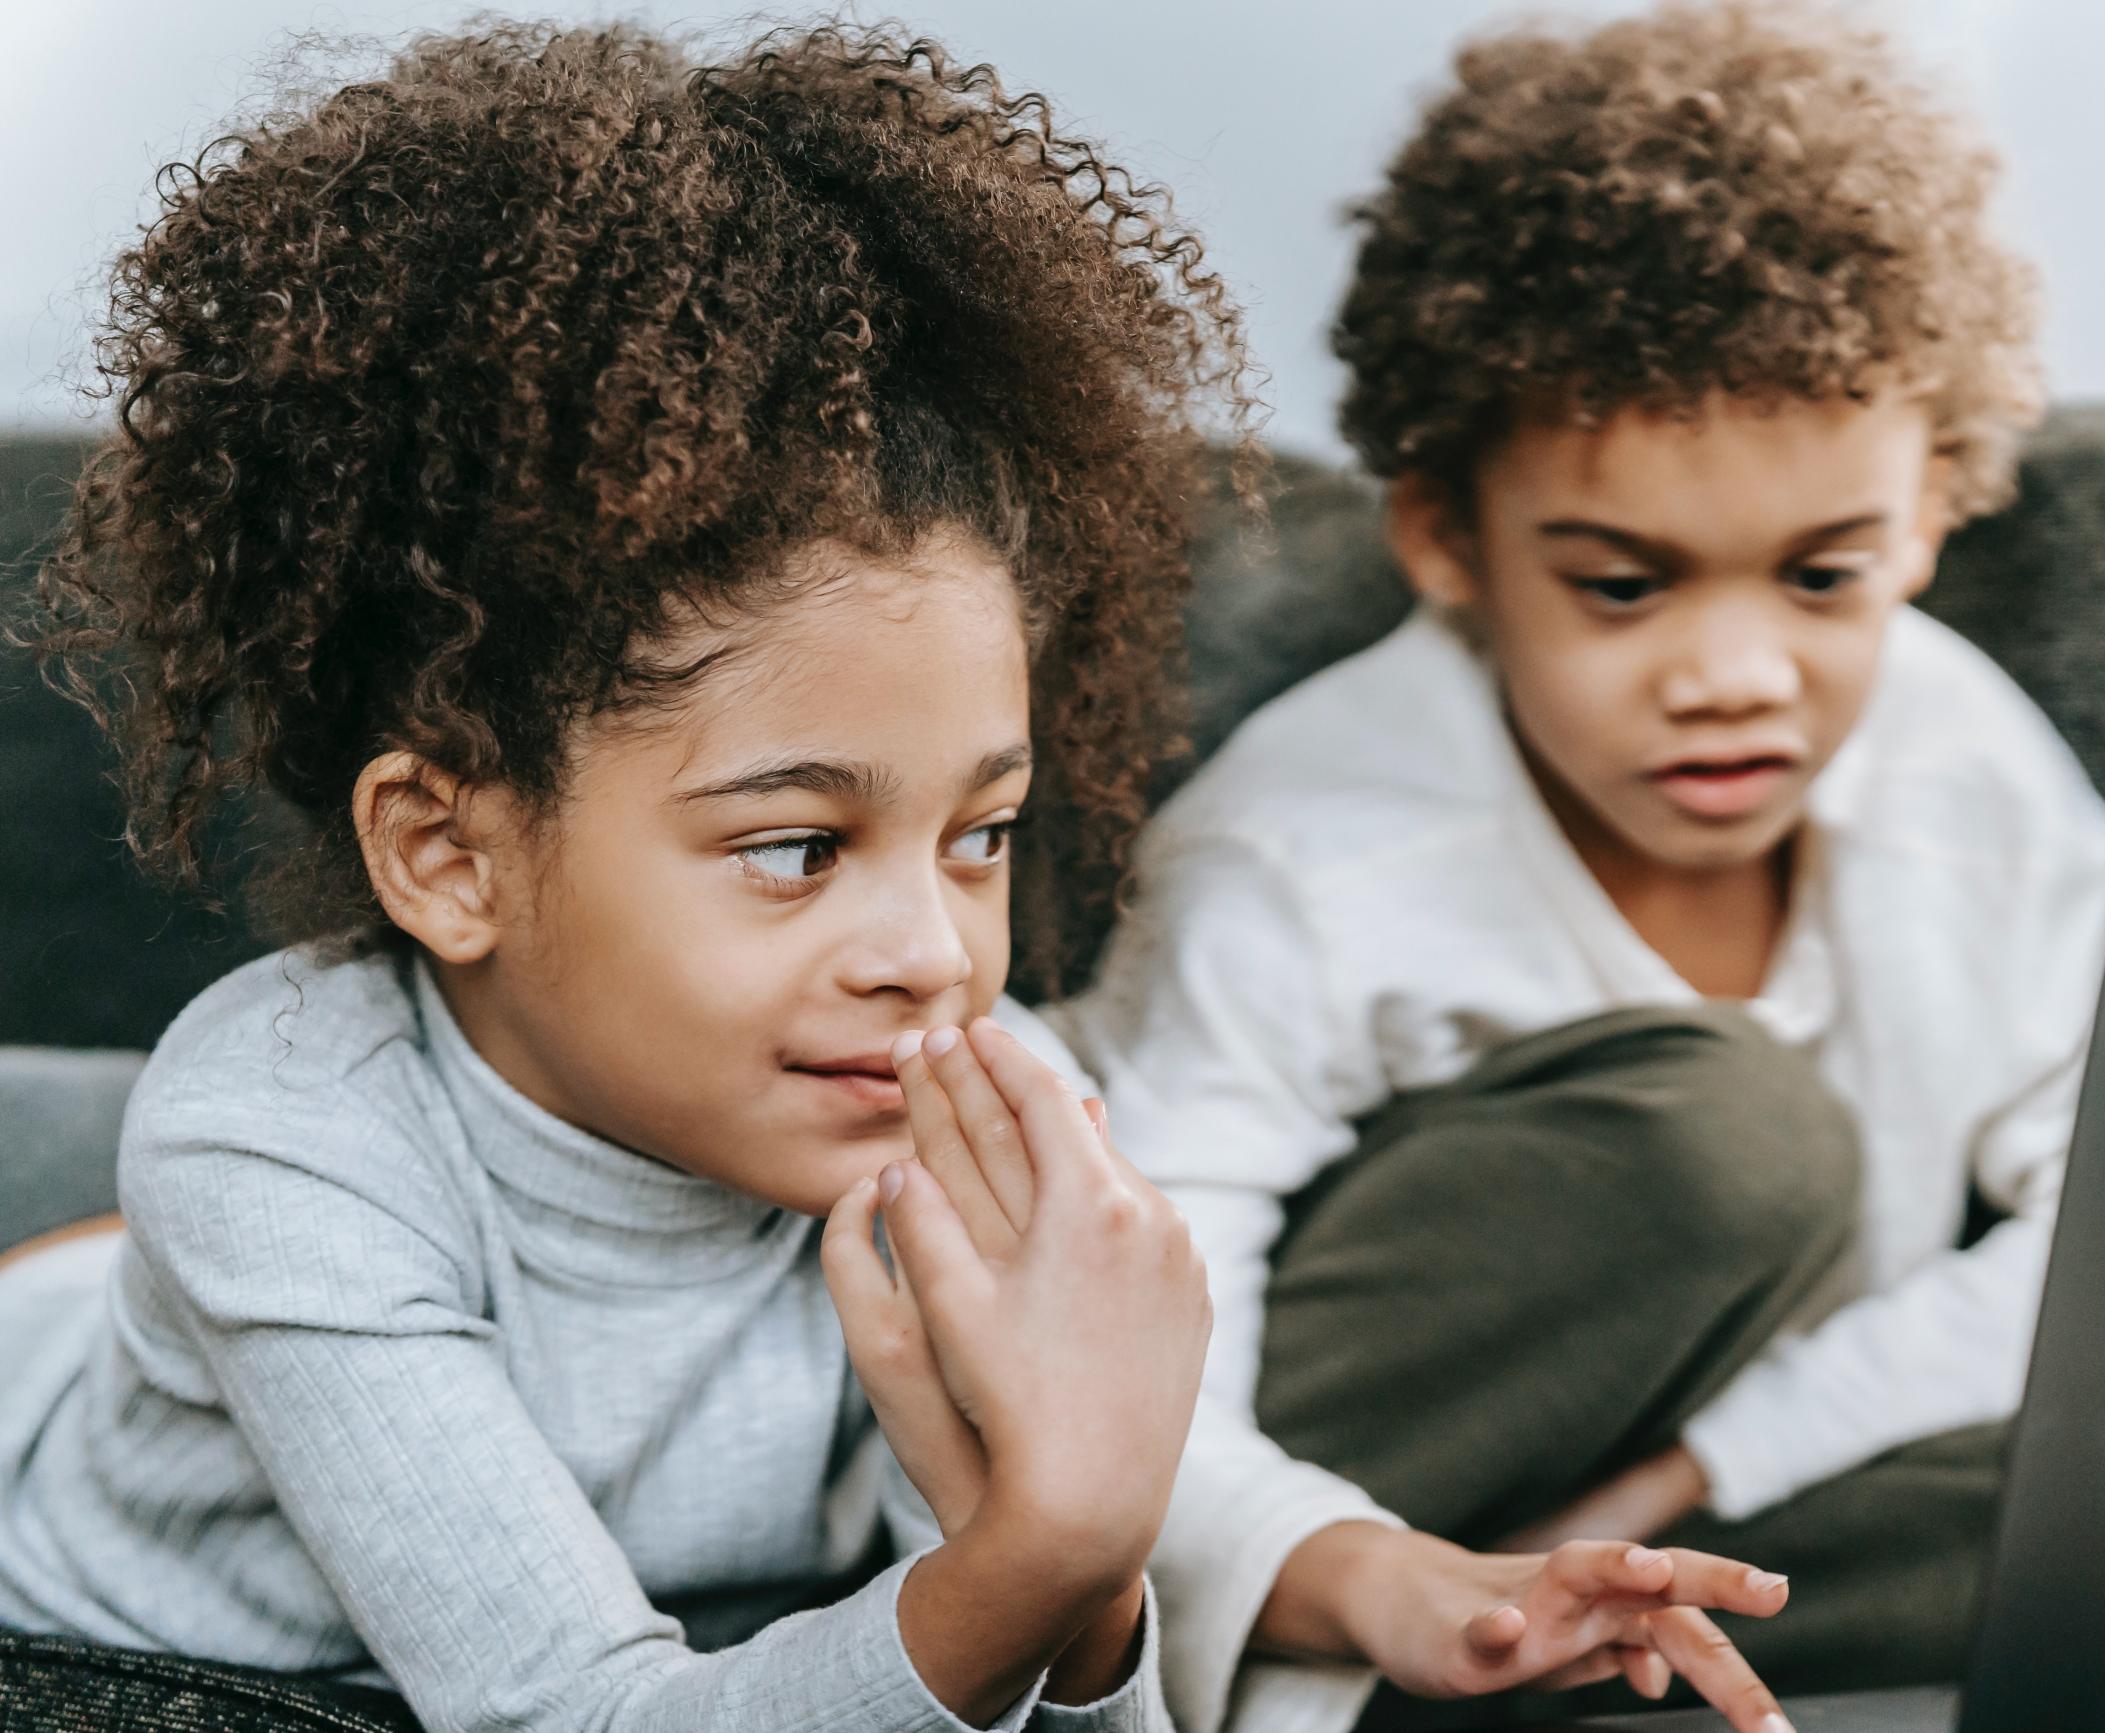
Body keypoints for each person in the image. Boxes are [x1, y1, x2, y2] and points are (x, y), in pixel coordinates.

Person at [0, 21, 1227, 1732]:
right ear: (448, 853)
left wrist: (1091, 1595)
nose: (933, 956)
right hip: (145, 1630)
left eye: (982, 835)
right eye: (798, 846)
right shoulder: (277, 1139)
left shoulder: (978, 1113)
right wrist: (1034, 1556)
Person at [1056, 2, 2105, 1726]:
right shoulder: (1303, 849)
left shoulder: (1960, 761)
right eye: (1625, 584)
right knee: (1738, 1140)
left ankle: (1576, 1647)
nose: (1736, 674)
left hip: (1694, 1497)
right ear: (1442, 535)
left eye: (1824, 575)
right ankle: (1375, 1656)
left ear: (1930, 507)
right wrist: (1367, 1566)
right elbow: (1129, 1390)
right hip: (1328, 1494)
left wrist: (1683, 1480)